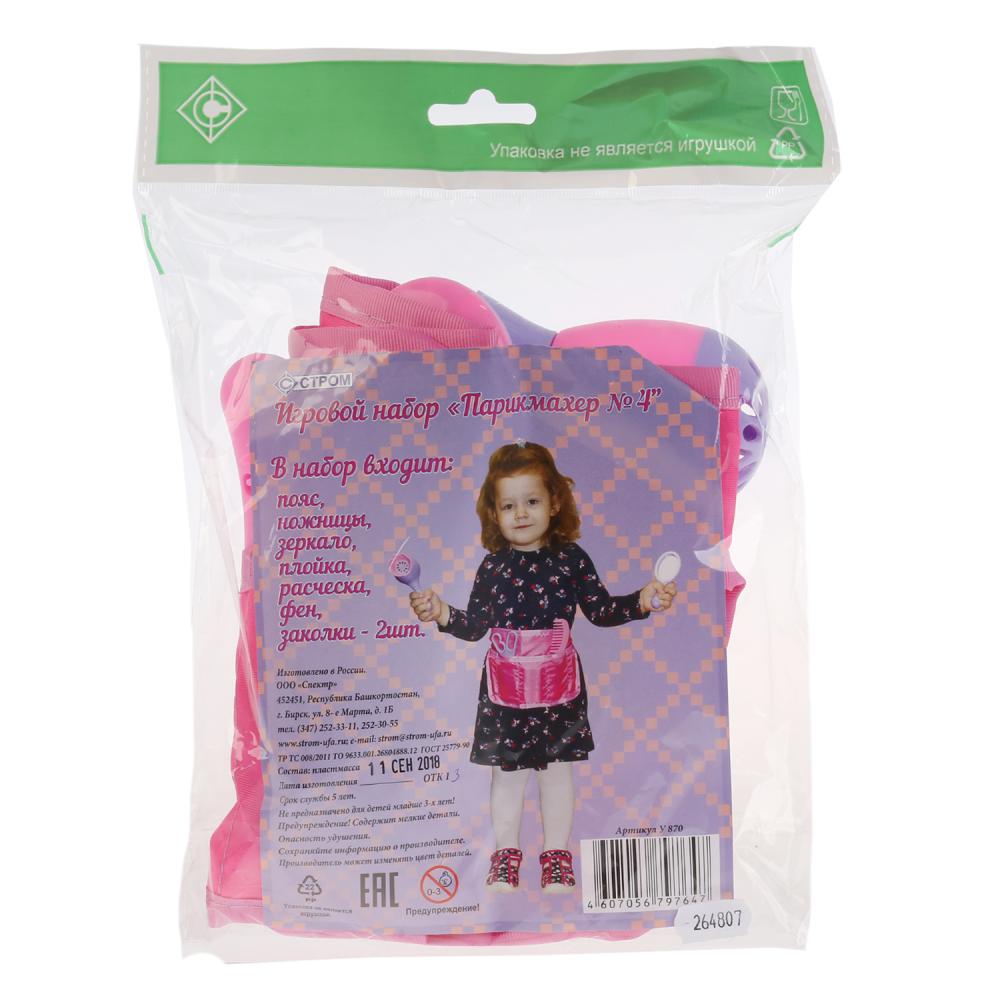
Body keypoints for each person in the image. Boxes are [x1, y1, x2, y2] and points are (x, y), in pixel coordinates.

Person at [410, 440, 676, 893]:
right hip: (504, 693)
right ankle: (505, 856)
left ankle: (556, 857)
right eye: (508, 505)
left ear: (554, 502)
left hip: (558, 688)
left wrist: (643, 600)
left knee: (556, 773)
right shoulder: (492, 567)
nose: (520, 513)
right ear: (493, 514)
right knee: (506, 775)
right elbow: (475, 627)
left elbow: (601, 611)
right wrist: (441, 612)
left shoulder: (572, 559)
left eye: (531, 501)